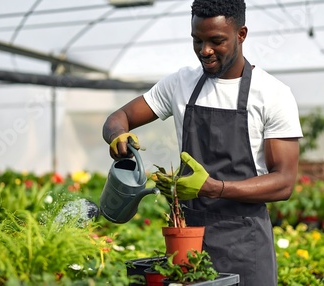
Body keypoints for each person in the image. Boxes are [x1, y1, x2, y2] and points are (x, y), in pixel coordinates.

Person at [102, 0, 303, 284]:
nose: (204, 51)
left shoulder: (272, 94)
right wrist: (117, 135)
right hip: (188, 239)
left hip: (245, 242)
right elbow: (119, 116)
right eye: (197, 40)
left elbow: (284, 182)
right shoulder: (180, 84)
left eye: (216, 41)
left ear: (241, 34)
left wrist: (215, 188)